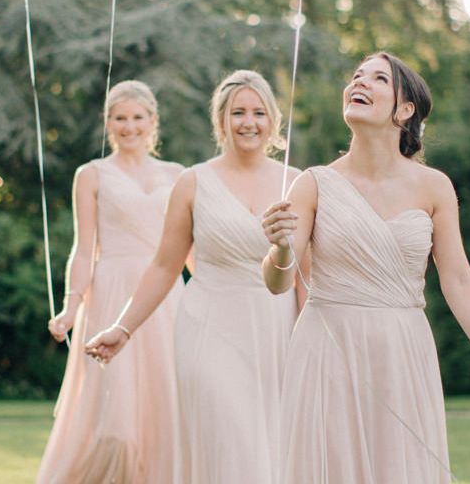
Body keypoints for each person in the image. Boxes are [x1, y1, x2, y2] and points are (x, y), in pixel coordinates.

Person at [261, 51, 470, 484]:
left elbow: (457, 278)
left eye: (379, 78)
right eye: (357, 76)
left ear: (405, 110)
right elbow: (277, 282)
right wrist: (281, 248)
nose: (359, 82)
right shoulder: (312, 183)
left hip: (402, 350)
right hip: (327, 348)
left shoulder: (434, 186)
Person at [86, 69, 303, 484]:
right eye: (237, 112)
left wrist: (313, 344)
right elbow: (164, 266)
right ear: (220, 120)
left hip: (275, 330)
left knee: (269, 447)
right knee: (225, 437)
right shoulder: (192, 182)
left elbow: (307, 278)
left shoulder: (296, 183)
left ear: (273, 120)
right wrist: (123, 328)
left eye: (258, 112)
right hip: (208, 327)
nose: (248, 122)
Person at [36, 80, 184, 484]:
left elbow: (190, 250)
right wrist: (70, 308)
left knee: (167, 408)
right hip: (110, 295)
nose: (129, 126)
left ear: (153, 121)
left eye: (137, 117)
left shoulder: (178, 175)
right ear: (108, 123)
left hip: (166, 299)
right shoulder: (92, 174)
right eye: (119, 118)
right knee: (114, 423)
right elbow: (84, 249)